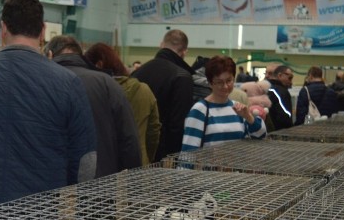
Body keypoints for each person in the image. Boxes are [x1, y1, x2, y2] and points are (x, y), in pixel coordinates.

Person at [0, 0, 96, 207]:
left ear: (3, 27)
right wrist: (73, 192)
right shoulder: (68, 82)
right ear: (43, 30)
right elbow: (86, 160)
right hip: (44, 205)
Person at [45, 36, 141, 177]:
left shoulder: (41, 83)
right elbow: (129, 139)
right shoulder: (107, 83)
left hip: (50, 185)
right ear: (81, 55)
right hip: (101, 185)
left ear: (50, 55)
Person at [132, 29, 203, 161]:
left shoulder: (137, 73)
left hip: (136, 149)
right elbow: (178, 125)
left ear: (161, 45)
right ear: (184, 52)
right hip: (164, 157)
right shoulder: (182, 77)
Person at [84, 42, 161, 166]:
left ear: (99, 64)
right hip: (138, 165)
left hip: (103, 167)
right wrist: (147, 157)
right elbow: (154, 131)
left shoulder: (94, 92)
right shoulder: (144, 90)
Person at [180, 55, 266, 151]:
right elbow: (188, 151)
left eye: (229, 80)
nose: (225, 86)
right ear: (210, 82)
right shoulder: (200, 110)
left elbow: (261, 135)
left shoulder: (238, 108)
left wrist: (248, 117)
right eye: (219, 82)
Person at [265, 65, 295, 131]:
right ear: (280, 75)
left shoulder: (264, 89)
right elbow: (285, 116)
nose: (291, 82)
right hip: (277, 132)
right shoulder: (280, 92)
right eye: (289, 78)